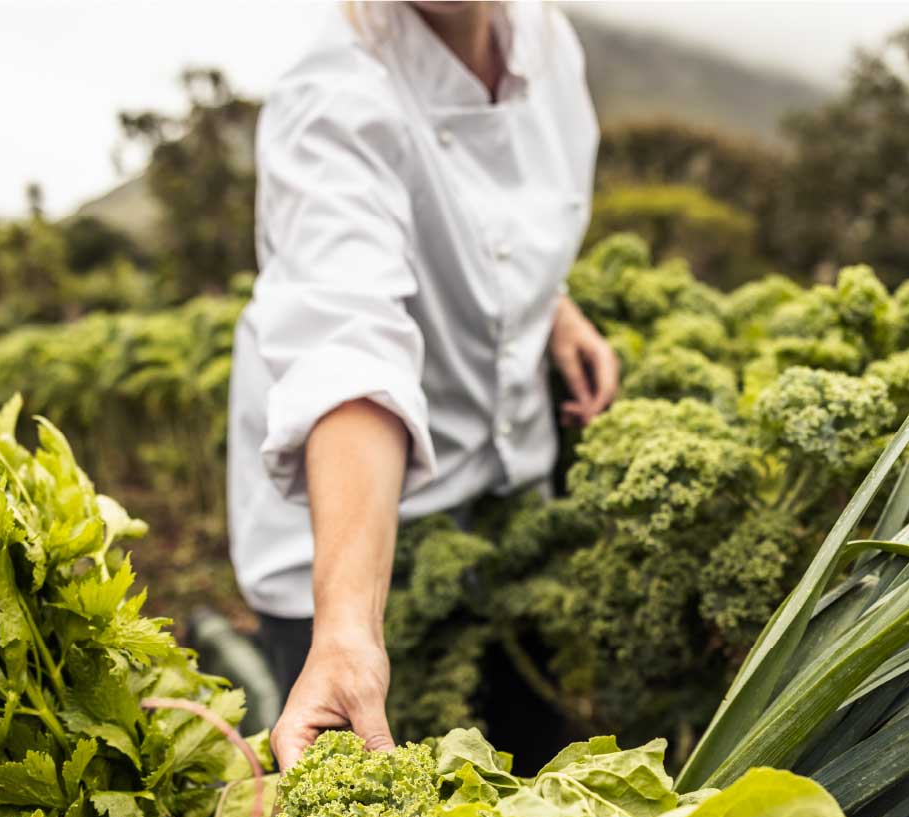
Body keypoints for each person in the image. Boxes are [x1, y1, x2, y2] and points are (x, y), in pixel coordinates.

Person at [227, 0, 619, 768]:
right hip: (346, 524)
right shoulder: (332, 95)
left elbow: (502, 218)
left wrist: (551, 305)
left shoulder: (544, 41)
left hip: (500, 488)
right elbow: (348, 344)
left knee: (532, 753)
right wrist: (344, 631)